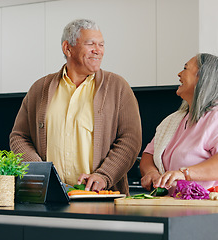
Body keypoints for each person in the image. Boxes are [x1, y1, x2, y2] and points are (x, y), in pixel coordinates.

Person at [9, 19, 142, 194]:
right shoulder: (40, 88)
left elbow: (130, 139)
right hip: (49, 196)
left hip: (99, 198)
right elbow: (19, 136)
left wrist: (104, 175)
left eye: (101, 44)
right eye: (90, 44)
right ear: (67, 48)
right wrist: (40, 171)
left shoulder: (117, 87)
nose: (98, 50)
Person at [139, 53, 218, 202]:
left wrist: (185, 174)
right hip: (187, 206)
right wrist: (151, 173)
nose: (179, 74)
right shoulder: (174, 120)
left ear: (202, 77)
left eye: (185, 68)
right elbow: (149, 154)